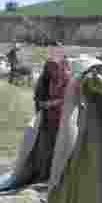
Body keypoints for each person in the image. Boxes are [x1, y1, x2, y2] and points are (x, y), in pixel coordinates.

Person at [30, 46, 70, 184]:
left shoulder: (67, 79)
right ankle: (44, 176)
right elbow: (39, 96)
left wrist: (50, 104)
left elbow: (67, 99)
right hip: (49, 119)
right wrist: (43, 105)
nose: (52, 69)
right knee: (46, 148)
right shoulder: (47, 80)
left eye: (54, 66)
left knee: (59, 149)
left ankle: (55, 178)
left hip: (62, 120)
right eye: (50, 67)